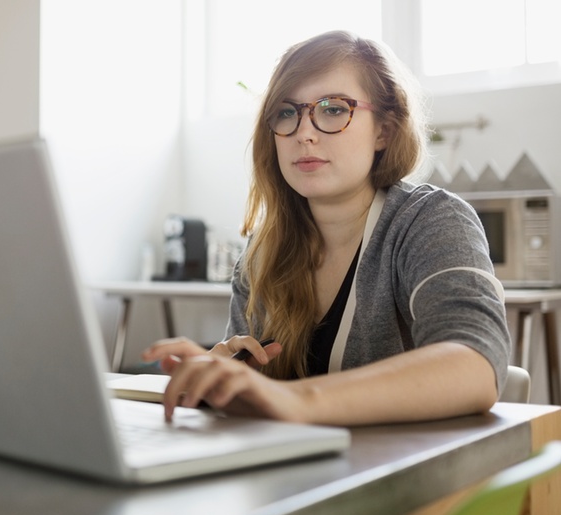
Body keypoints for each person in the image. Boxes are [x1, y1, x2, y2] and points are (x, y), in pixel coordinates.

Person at [141, 31, 511, 426]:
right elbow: (259, 408)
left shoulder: (430, 220)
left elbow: (476, 363)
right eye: (286, 112)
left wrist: (296, 400)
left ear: (384, 130)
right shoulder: (262, 253)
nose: (304, 132)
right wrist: (227, 382)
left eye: (333, 109)